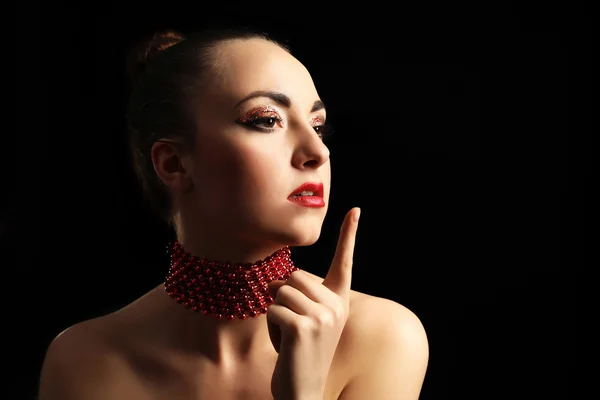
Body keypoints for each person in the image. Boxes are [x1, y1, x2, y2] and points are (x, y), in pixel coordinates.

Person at [38, 27, 429, 400]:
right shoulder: (82, 361)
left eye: (318, 125)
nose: (318, 151)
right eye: (266, 120)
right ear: (173, 163)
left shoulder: (383, 337)